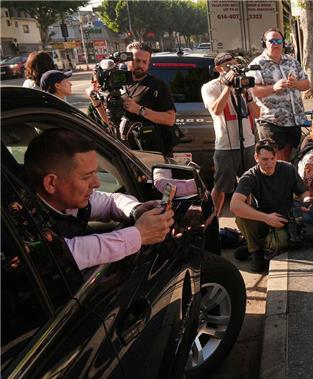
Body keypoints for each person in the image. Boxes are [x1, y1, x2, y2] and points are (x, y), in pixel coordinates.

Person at [23, 128, 174, 271]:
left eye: (95, 174)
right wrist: (139, 234)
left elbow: (110, 201)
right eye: (87, 176)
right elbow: (64, 253)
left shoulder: (68, 200)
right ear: (51, 183)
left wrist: (135, 210)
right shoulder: (22, 223)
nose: (97, 183)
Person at [230, 141, 312, 272]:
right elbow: (234, 206)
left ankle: (253, 245)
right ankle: (256, 252)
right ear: (256, 158)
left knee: (281, 241)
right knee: (241, 217)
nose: (269, 163)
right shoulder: (250, 176)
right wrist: (266, 218)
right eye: (264, 159)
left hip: (283, 220)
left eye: (272, 159)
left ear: (276, 157)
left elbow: (303, 192)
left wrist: (306, 200)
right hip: (262, 219)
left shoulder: (288, 169)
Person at [201, 52, 259, 218]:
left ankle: (249, 222)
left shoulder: (244, 85)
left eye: (235, 65)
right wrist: (227, 85)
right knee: (220, 188)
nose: (233, 69)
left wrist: (248, 98)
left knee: (248, 185)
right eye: (228, 66)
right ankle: (211, 223)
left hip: (247, 143)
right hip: (225, 145)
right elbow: (216, 110)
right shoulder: (210, 87)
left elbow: (257, 113)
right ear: (219, 68)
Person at [251, 28, 310, 161]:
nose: (275, 44)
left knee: (293, 159)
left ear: (283, 43)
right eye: (271, 41)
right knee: (276, 160)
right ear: (264, 43)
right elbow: (251, 90)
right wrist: (273, 87)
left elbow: (307, 84)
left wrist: (295, 84)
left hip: (294, 119)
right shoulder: (257, 64)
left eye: (278, 41)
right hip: (273, 121)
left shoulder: (292, 61)